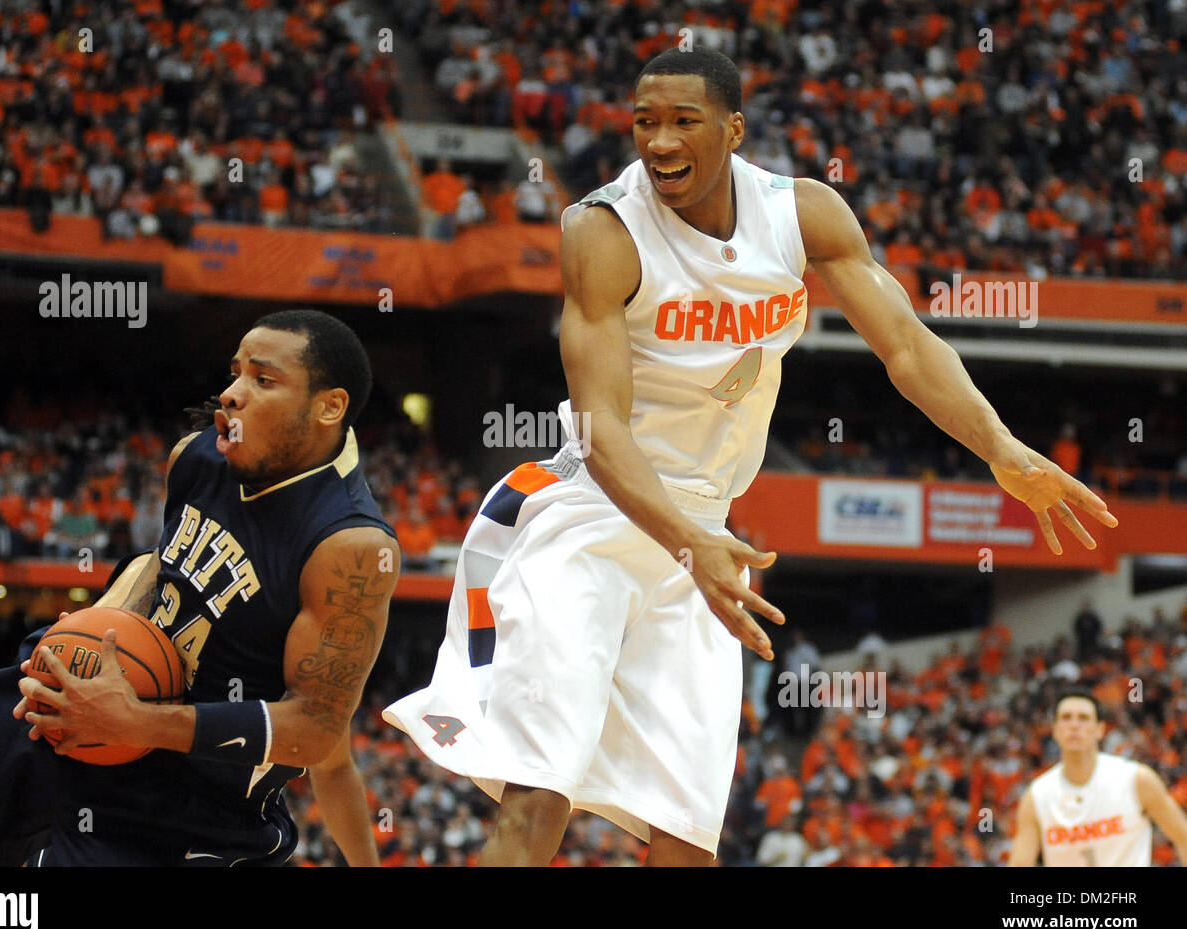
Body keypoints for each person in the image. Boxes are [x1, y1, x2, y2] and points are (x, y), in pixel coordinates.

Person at [384, 46, 1119, 867]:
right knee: (536, 800)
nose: (658, 141)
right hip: (594, 515)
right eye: (644, 122)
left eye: (682, 122)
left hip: (705, 536)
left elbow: (908, 347)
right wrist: (688, 542)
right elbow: (601, 427)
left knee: (688, 836)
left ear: (733, 130)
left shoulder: (804, 216)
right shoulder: (602, 230)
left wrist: (1002, 448)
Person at [0, 310, 398, 867]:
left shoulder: (348, 547)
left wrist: (136, 721)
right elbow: (162, 562)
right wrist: (109, 614)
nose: (231, 394)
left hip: (178, 808)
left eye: (263, 379)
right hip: (74, 708)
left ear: (330, 406)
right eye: (235, 374)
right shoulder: (200, 456)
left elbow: (320, 733)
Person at [1008, 689, 1187, 866]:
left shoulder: (1136, 779)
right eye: (1066, 717)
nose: (1074, 725)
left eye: (1084, 718)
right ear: (1054, 729)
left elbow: (1183, 836)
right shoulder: (1037, 795)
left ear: (1100, 729)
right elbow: (1020, 863)